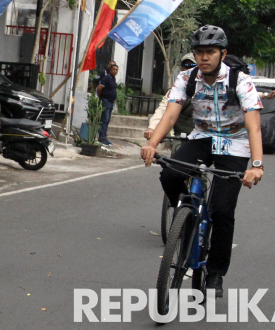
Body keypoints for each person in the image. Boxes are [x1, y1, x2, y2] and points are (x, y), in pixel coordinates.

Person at [141, 25, 264, 298]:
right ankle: (184, 220)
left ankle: (217, 273)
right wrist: (152, 144)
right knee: (170, 173)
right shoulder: (187, 78)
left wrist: (256, 165)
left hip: (235, 142)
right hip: (202, 136)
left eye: (210, 52)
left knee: (222, 210)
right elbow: (171, 116)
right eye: (199, 52)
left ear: (222, 53)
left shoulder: (240, 81)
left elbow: (253, 126)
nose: (204, 57)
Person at [144, 53, 195, 143]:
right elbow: (163, 109)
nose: (188, 69)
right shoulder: (176, 89)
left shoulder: (209, 87)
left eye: (193, 66)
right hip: (183, 136)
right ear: (181, 68)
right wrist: (152, 128)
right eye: (185, 66)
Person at [96, 61, 118, 146]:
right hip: (105, 101)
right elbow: (99, 88)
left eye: (116, 70)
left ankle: (104, 137)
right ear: (110, 70)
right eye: (114, 69)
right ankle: (102, 138)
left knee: (107, 120)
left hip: (111, 102)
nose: (115, 71)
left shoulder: (113, 79)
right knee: (104, 120)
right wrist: (100, 97)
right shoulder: (107, 78)